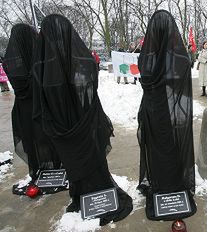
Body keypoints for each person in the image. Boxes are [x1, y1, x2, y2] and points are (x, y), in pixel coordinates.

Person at [32, 14, 132, 225]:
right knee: (89, 159)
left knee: (76, 161)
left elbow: (39, 104)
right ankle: (91, 194)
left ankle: (84, 195)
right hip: (84, 122)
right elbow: (90, 81)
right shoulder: (81, 60)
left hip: (64, 126)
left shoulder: (41, 65)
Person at [137, 10, 197, 221]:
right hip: (171, 113)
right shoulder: (179, 55)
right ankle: (171, 181)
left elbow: (146, 77)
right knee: (170, 145)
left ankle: (161, 182)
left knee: (157, 146)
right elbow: (182, 80)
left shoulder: (147, 55)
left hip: (154, 111)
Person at [3, 23, 64, 195]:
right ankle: (54, 169)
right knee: (46, 139)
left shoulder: (10, 62)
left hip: (22, 109)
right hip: (41, 107)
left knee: (31, 141)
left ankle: (38, 171)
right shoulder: (38, 60)